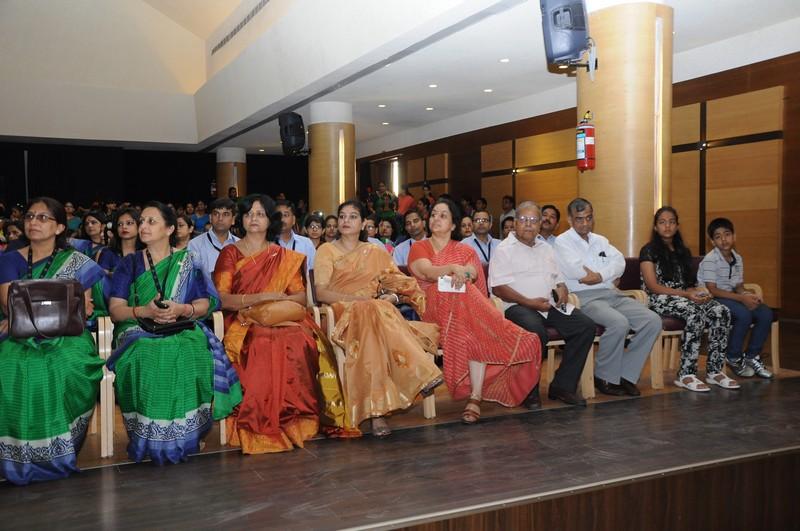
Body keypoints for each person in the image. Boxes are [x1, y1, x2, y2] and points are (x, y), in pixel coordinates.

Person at [107, 201, 242, 464]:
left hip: (181, 325)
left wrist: (182, 308)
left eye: (151, 221)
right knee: (149, 353)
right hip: (137, 328)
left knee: (191, 350)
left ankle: (188, 435)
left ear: (169, 229)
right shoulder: (130, 264)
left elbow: (204, 303)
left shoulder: (188, 261)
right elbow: (116, 310)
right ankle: (149, 437)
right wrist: (145, 311)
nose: (143, 226)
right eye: (141, 221)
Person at [213, 195, 338, 453]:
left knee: (299, 339)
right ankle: (259, 425)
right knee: (260, 342)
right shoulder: (230, 253)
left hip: (281, 317)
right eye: (248, 214)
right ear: (241, 220)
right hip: (243, 319)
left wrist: (275, 304)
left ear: (270, 220)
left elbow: (300, 297)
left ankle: (293, 421)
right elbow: (222, 298)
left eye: (260, 214)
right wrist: (261, 298)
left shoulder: (283, 256)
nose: (253, 218)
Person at [314, 200, 443, 437]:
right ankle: (419, 374)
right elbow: (321, 293)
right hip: (338, 315)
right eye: (342, 216)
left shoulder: (374, 251)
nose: (345, 221)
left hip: (372, 316)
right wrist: (359, 301)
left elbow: (399, 284)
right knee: (372, 309)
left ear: (364, 223)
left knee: (374, 317)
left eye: (353, 216)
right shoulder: (326, 250)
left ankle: (377, 413)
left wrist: (392, 298)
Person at [0, 197, 105, 485]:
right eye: (30, 216)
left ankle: (57, 451)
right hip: (18, 333)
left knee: (64, 364)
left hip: (68, 335)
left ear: (59, 227)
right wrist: (59, 304)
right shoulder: (9, 259)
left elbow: (84, 308)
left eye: (43, 217)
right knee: (9, 364)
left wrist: (45, 307)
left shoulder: (77, 262)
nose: (33, 222)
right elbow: (10, 306)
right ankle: (16, 453)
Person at [408, 198, 541, 424]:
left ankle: (475, 396)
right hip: (432, 310)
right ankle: (506, 334)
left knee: (469, 320)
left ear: (453, 224)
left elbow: (472, 273)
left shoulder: (464, 249)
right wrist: (453, 269)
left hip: (463, 312)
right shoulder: (420, 247)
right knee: (467, 304)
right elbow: (427, 272)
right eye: (433, 214)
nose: (436, 218)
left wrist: (464, 274)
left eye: (443, 215)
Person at [490, 202, 595, 406]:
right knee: (536, 331)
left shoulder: (546, 248)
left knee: (585, 326)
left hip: (548, 305)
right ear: (515, 223)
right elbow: (499, 289)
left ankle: (563, 386)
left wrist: (562, 288)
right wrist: (529, 302)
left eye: (533, 220)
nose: (528, 224)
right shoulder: (504, 249)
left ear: (540, 224)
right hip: (516, 306)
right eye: (523, 220)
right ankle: (528, 391)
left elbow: (558, 278)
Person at [555, 198, 662, 396]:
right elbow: (576, 272)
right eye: (579, 219)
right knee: (618, 323)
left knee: (652, 321)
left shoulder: (600, 240)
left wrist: (599, 276)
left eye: (589, 218)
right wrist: (607, 274)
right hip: (584, 297)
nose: (585, 223)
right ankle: (604, 376)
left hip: (612, 294)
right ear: (570, 219)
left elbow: (620, 263)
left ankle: (625, 375)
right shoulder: (562, 242)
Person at [640, 207, 737, 392]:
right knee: (694, 311)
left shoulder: (682, 251)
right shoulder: (648, 250)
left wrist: (698, 292)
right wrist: (686, 295)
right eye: (662, 222)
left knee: (721, 310)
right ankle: (686, 374)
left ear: (677, 226)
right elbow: (652, 286)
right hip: (658, 298)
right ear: (655, 227)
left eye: (671, 222)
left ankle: (715, 370)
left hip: (683, 297)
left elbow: (688, 284)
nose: (667, 226)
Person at [698, 218, 773, 379]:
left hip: (731, 297)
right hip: (711, 298)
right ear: (712, 241)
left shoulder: (737, 258)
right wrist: (741, 299)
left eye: (727, 234)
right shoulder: (711, 259)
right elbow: (712, 289)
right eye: (718, 237)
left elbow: (738, 286)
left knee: (765, 313)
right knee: (743, 314)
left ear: (734, 236)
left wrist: (748, 295)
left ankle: (752, 356)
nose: (724, 239)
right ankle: (733, 357)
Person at [188, 198, 239, 277]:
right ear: (210, 218)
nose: (220, 218)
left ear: (233, 220)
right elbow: (191, 277)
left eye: (225, 214)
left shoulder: (240, 244)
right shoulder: (195, 244)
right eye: (216, 214)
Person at [275, 200, 316, 270]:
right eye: (278, 216)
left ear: (293, 220)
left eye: (286, 215)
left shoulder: (306, 243)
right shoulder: (267, 244)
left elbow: (314, 270)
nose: (281, 219)